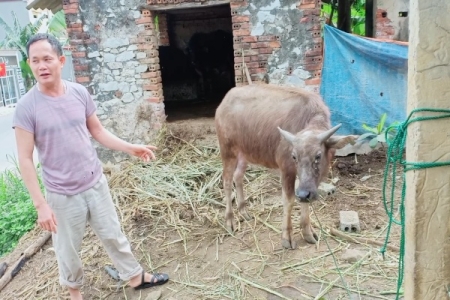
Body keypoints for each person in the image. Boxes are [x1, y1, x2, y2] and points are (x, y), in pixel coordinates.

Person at [12, 33, 169, 300]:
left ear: (61, 61)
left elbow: (97, 130)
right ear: (29, 64)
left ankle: (134, 276)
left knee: (113, 233)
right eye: (35, 61)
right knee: (67, 248)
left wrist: (130, 147)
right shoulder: (27, 108)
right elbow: (25, 158)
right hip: (62, 194)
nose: (42, 66)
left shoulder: (79, 93)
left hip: (95, 182)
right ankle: (75, 292)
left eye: (47, 59)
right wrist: (41, 205)